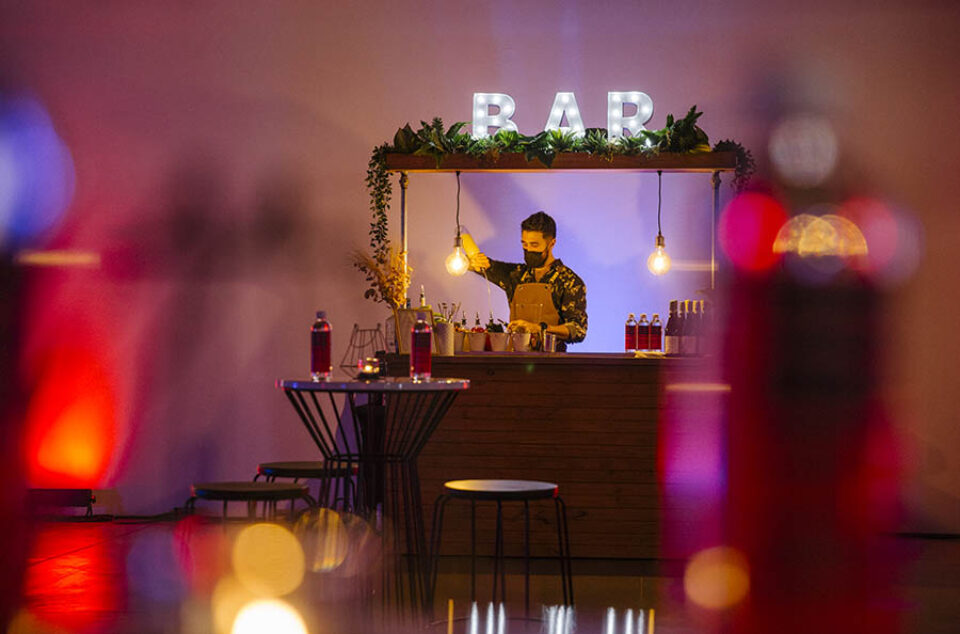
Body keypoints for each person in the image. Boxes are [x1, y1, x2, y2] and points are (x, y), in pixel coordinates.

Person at [468, 211, 587, 351]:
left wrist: (539, 328)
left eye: (535, 245)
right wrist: (472, 261)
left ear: (551, 243)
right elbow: (483, 266)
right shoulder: (516, 275)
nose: (528, 249)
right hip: (516, 361)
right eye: (524, 244)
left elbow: (578, 330)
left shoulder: (569, 281)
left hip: (552, 363)